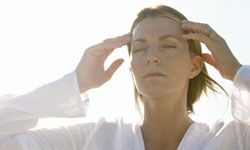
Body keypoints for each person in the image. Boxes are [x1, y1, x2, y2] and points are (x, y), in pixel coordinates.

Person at [0, 5, 249, 150]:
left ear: (195, 65)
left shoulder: (233, 140)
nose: (151, 57)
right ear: (131, 67)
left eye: (169, 45)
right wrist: (75, 82)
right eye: (139, 48)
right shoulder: (91, 140)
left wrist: (236, 71)